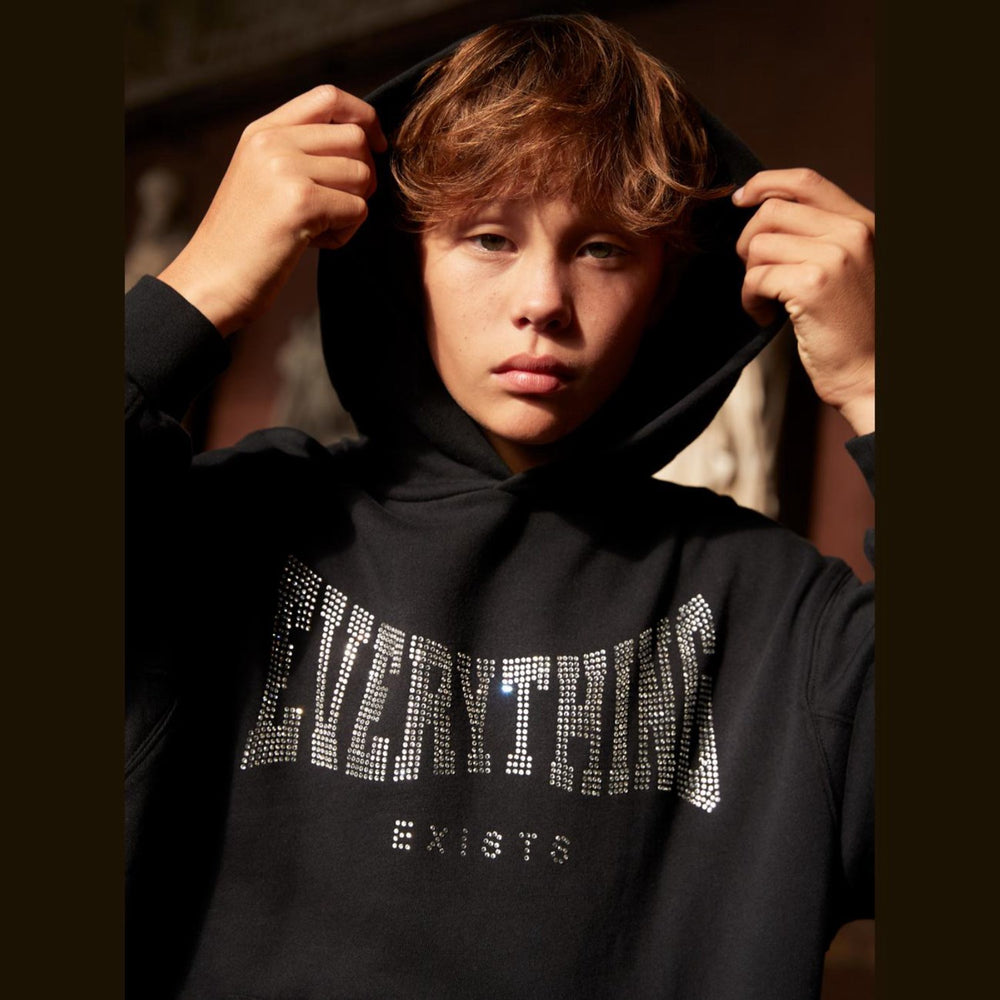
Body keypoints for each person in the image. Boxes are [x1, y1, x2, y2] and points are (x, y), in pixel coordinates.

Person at [125, 14, 874, 999]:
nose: (542, 301)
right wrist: (195, 291)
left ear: (665, 286)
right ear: (409, 262)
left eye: (601, 249)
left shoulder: (780, 619)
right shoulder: (238, 530)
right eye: (488, 237)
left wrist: (879, 384)